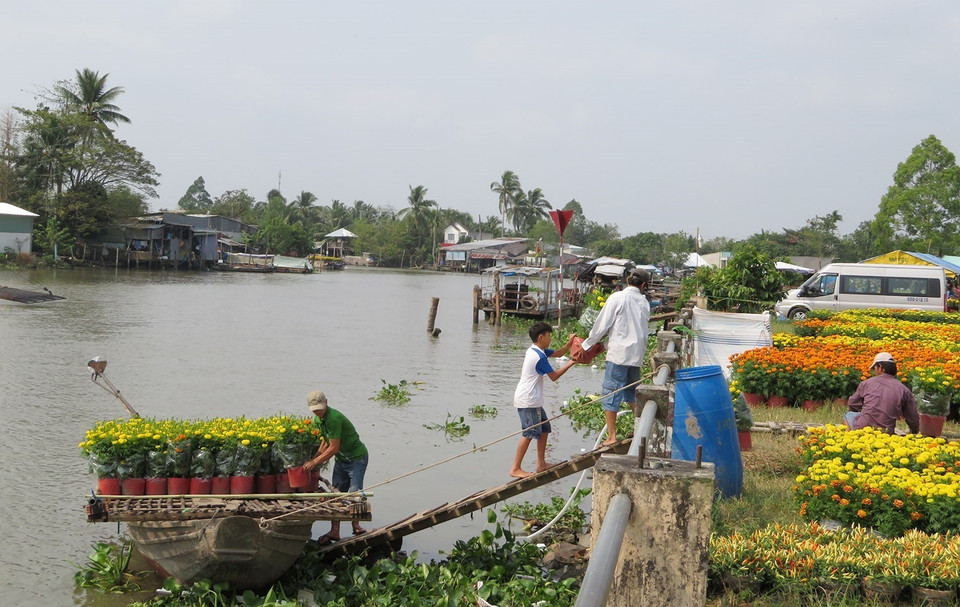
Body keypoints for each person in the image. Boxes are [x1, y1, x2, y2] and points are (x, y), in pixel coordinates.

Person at [580, 268, 651, 445]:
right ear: (643, 285)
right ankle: (639, 430)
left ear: (628, 280)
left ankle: (611, 436)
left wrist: (587, 345)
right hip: (636, 356)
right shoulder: (644, 302)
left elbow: (602, 325)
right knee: (632, 393)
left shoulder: (617, 297)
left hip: (619, 355)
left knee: (611, 393)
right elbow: (639, 330)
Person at [510, 322, 576, 478]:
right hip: (528, 400)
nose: (550, 339)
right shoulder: (538, 357)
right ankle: (515, 468)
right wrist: (572, 362)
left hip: (533, 400)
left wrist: (570, 342)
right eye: (548, 336)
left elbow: (559, 353)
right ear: (541, 337)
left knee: (545, 428)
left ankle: (541, 464)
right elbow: (554, 377)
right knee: (529, 432)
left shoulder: (536, 350)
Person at [302, 390, 369, 544]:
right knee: (336, 493)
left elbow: (333, 448)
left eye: (319, 408)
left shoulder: (333, 418)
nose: (318, 412)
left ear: (326, 403)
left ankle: (357, 526)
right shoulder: (320, 420)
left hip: (356, 458)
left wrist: (315, 462)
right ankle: (335, 531)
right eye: (315, 410)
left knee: (355, 493)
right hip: (341, 460)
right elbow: (326, 441)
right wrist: (316, 456)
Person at [845, 352, 919, 434]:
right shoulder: (903, 389)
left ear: (880, 367)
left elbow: (852, 403)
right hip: (886, 432)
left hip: (863, 429)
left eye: (875, 368)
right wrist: (914, 431)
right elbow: (913, 417)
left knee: (848, 415)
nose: (874, 371)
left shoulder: (867, 384)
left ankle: (849, 437)